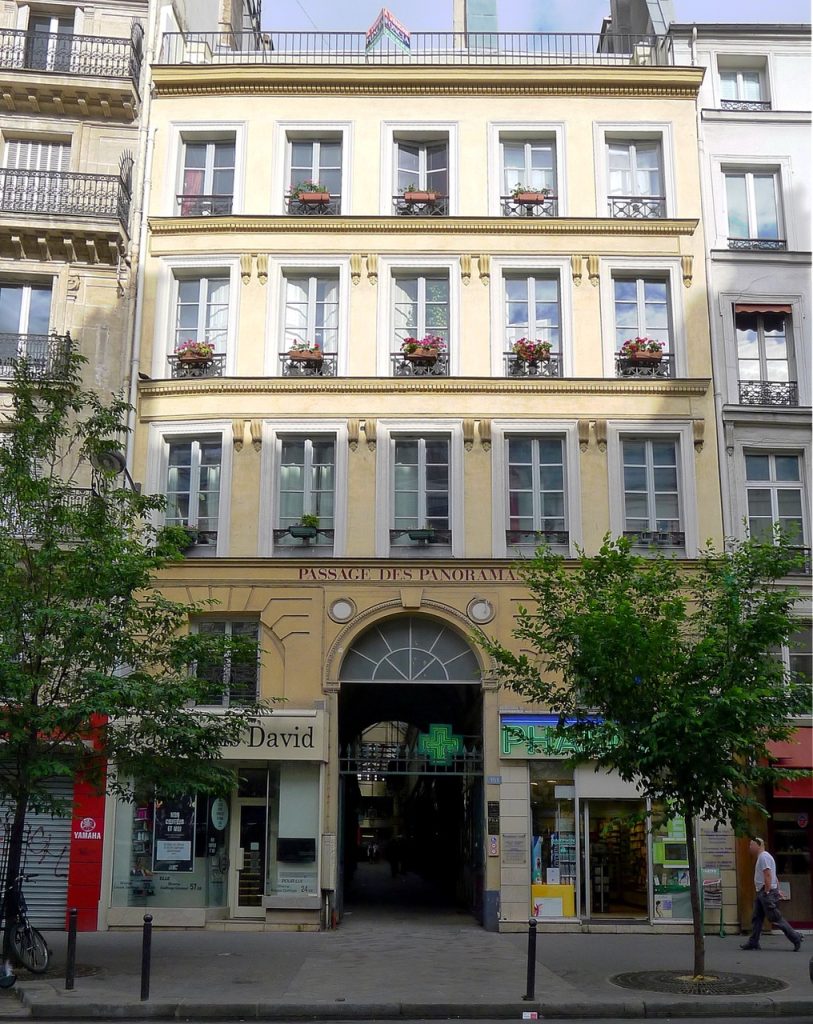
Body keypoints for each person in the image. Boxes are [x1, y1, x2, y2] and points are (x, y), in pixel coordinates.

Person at [741, 836, 803, 951]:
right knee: (757, 917)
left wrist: (768, 891)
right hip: (762, 891)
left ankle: (795, 937)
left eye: (752, 844)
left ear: (759, 845)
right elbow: (774, 876)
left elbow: (768, 875)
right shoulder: (764, 857)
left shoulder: (764, 857)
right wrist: (776, 889)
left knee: (775, 917)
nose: (750, 847)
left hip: (765, 892)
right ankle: (753, 942)